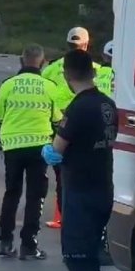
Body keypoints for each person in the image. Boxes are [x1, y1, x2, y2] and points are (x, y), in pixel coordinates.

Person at [42, 50, 116, 271]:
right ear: (93, 72)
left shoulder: (78, 107)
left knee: (80, 262)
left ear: (68, 75)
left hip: (81, 193)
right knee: (81, 260)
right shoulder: (107, 104)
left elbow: (57, 148)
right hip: (101, 190)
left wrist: (47, 152)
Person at [0, 44, 60, 260]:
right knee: (35, 196)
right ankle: (29, 245)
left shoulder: (8, 85)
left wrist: (4, 137)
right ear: (43, 62)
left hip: (12, 147)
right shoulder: (49, 86)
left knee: (11, 193)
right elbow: (58, 120)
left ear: (21, 61)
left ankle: (5, 242)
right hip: (39, 147)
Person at [41, 27, 100, 228]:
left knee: (63, 177)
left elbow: (43, 97)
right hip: (92, 129)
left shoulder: (51, 69)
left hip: (59, 127)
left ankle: (64, 216)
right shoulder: (98, 70)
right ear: (86, 44)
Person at [95, 40, 115, 267]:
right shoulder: (125, 77)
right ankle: (103, 244)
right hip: (114, 138)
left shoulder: (97, 75)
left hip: (94, 139)